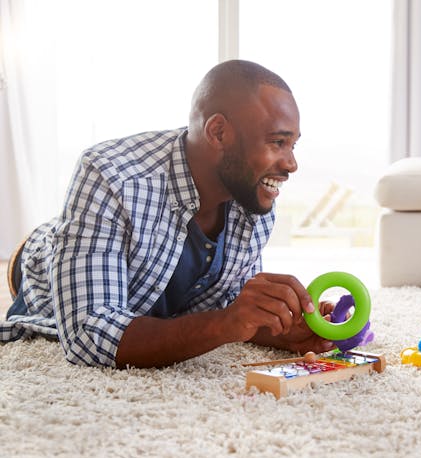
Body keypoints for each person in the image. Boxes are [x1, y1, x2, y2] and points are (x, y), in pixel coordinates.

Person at [1, 60, 337, 368]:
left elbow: (219, 311)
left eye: (293, 145)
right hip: (41, 264)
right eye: (277, 142)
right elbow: (89, 335)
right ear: (218, 132)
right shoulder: (110, 175)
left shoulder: (252, 196)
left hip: (156, 286)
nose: (291, 164)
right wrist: (226, 322)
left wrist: (280, 329)